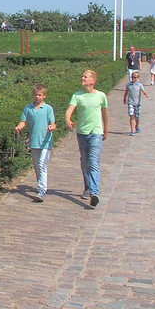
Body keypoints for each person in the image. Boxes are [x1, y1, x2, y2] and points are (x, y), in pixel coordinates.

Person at [66, 69, 109, 207]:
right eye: (82, 76)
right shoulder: (77, 95)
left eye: (86, 77)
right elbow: (69, 110)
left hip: (95, 132)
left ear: (93, 81)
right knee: (85, 161)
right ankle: (87, 187)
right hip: (82, 133)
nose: (82, 78)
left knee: (94, 161)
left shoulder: (101, 96)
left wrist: (106, 129)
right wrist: (68, 119)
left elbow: (105, 113)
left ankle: (94, 193)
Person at [14, 83, 56, 202]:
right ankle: (40, 185)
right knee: (37, 166)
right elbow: (23, 121)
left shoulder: (48, 109)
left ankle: (41, 190)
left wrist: (52, 127)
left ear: (44, 96)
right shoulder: (28, 108)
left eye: (39, 95)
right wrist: (19, 127)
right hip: (34, 142)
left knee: (42, 164)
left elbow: (53, 123)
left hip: (46, 142)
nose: (37, 97)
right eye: (35, 95)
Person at [123, 71, 149, 135]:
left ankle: (136, 126)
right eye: (132, 77)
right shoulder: (129, 85)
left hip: (137, 103)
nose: (133, 78)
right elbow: (126, 92)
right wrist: (124, 98)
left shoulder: (140, 85)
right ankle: (132, 130)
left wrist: (146, 94)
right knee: (131, 115)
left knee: (137, 117)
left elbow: (143, 91)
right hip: (130, 102)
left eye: (134, 77)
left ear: (138, 78)